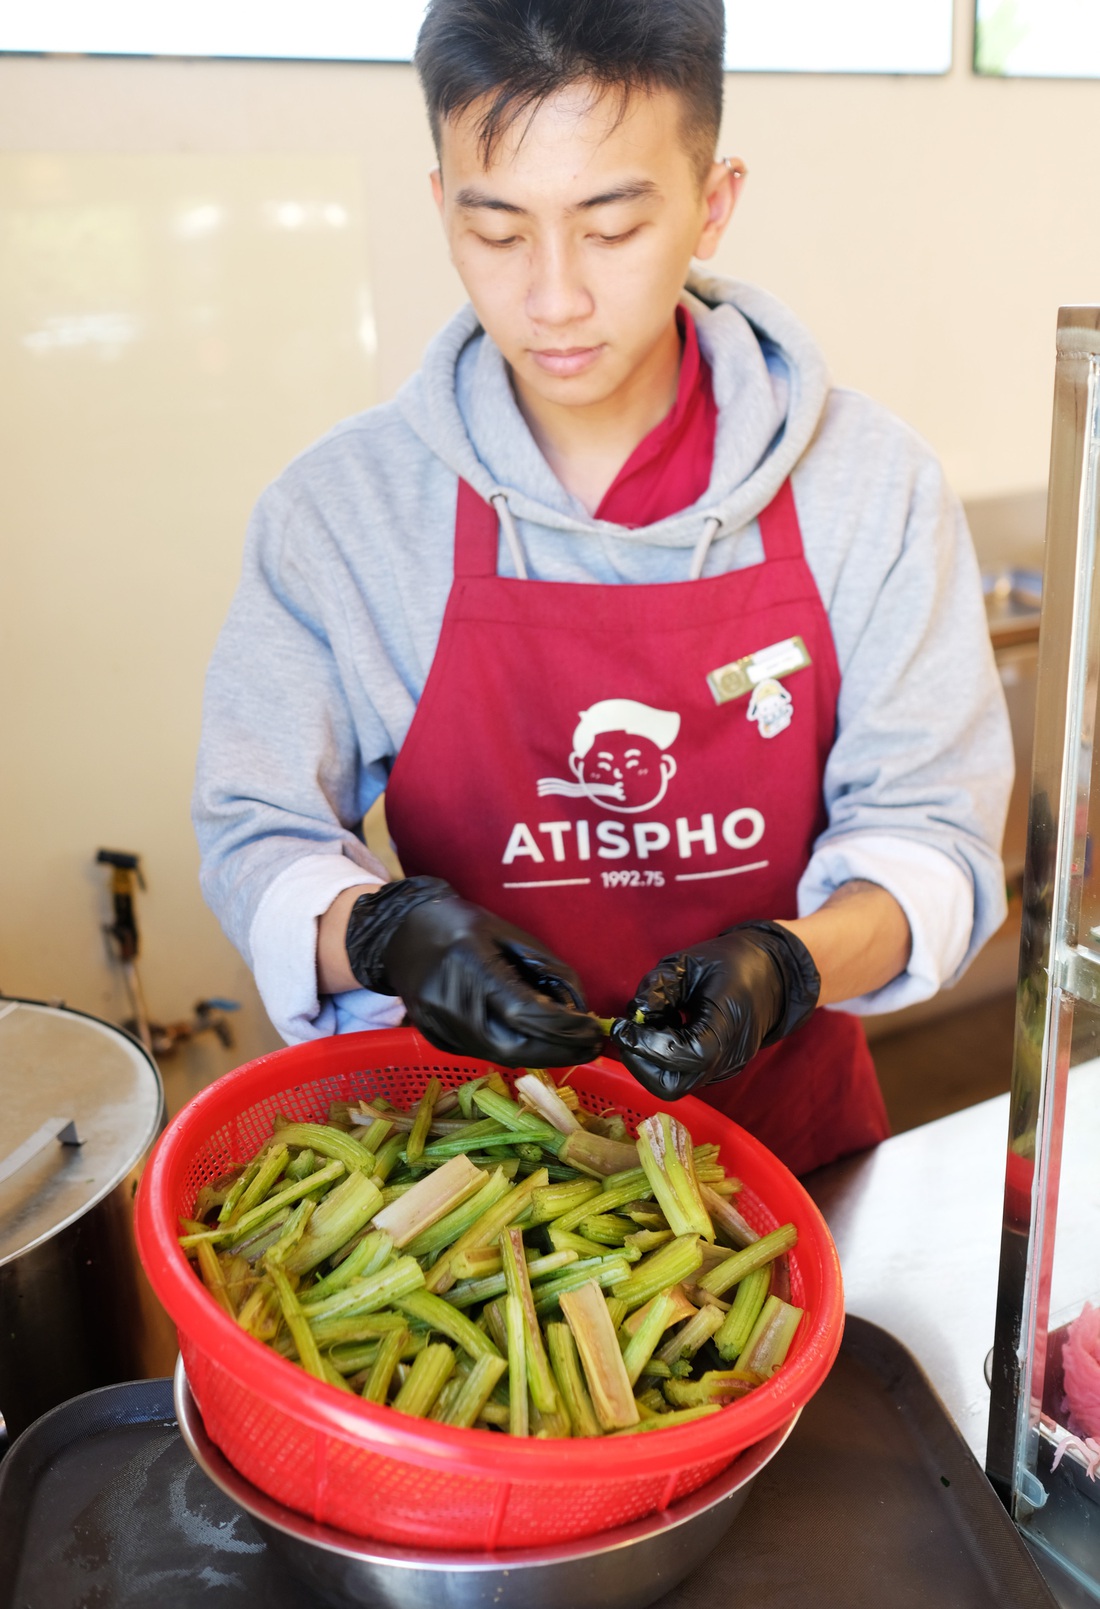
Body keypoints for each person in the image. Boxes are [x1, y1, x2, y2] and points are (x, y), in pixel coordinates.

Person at [194, 0, 1013, 1176]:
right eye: (497, 231)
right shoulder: (344, 513)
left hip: (786, 1155)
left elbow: (929, 834)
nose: (554, 298)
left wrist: (790, 964)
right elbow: (255, 832)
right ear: (440, 208)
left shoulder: (865, 486)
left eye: (611, 227)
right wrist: (381, 933)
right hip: (471, 1176)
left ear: (711, 203)